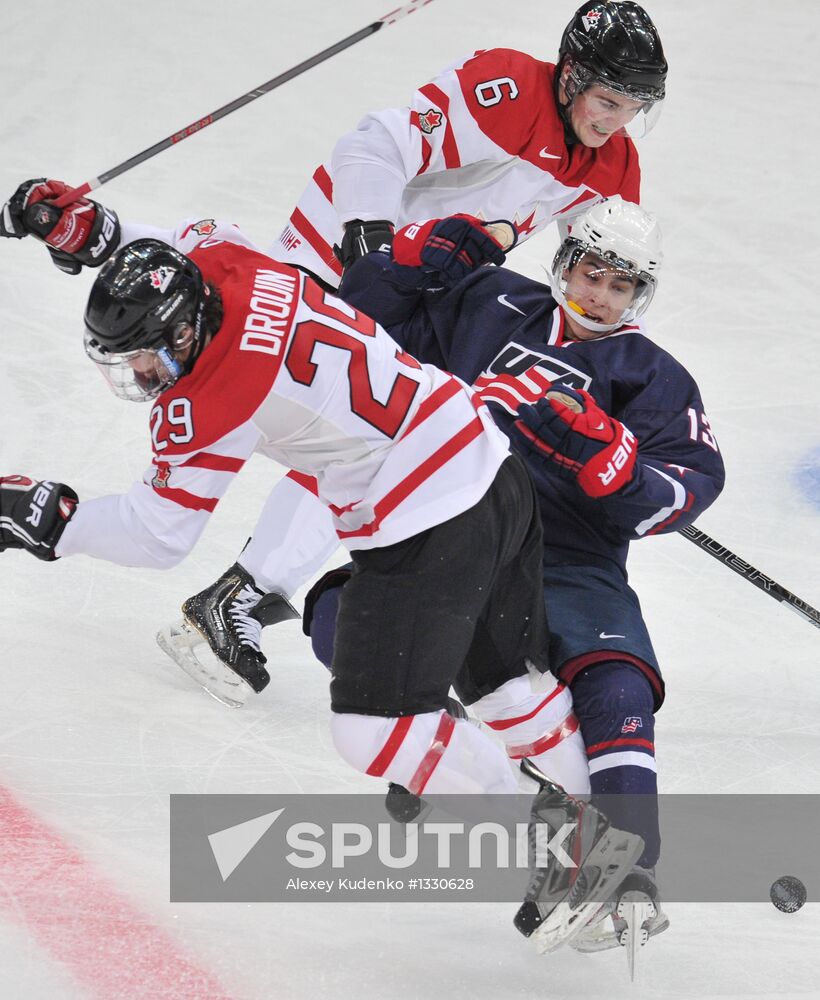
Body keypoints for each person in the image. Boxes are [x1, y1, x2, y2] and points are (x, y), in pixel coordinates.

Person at [0, 204, 646, 952]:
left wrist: (54, 522)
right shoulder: (228, 258)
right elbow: (176, 235)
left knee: (373, 729)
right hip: (487, 463)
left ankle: (555, 852)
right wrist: (98, 235)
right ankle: (613, 866)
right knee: (513, 689)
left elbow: (157, 534)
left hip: (426, 521)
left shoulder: (215, 396)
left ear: (183, 331)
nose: (144, 376)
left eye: (148, 357)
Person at [296, 198, 726, 954]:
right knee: (342, 619)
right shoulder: (489, 303)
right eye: (591, 272)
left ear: (639, 295)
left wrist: (613, 466)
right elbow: (353, 330)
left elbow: (687, 488)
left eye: (619, 285)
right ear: (563, 264)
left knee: (616, 682)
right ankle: (497, 773)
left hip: (570, 557)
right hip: (451, 525)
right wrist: (404, 268)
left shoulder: (652, 376)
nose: (599, 294)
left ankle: (626, 871)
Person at [269, 0, 667, 287]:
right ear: (570, 75)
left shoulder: (616, 165)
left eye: (633, 109)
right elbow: (376, 146)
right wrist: (369, 235)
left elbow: (606, 275)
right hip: (330, 249)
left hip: (417, 291)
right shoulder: (507, 90)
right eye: (607, 103)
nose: (617, 123)